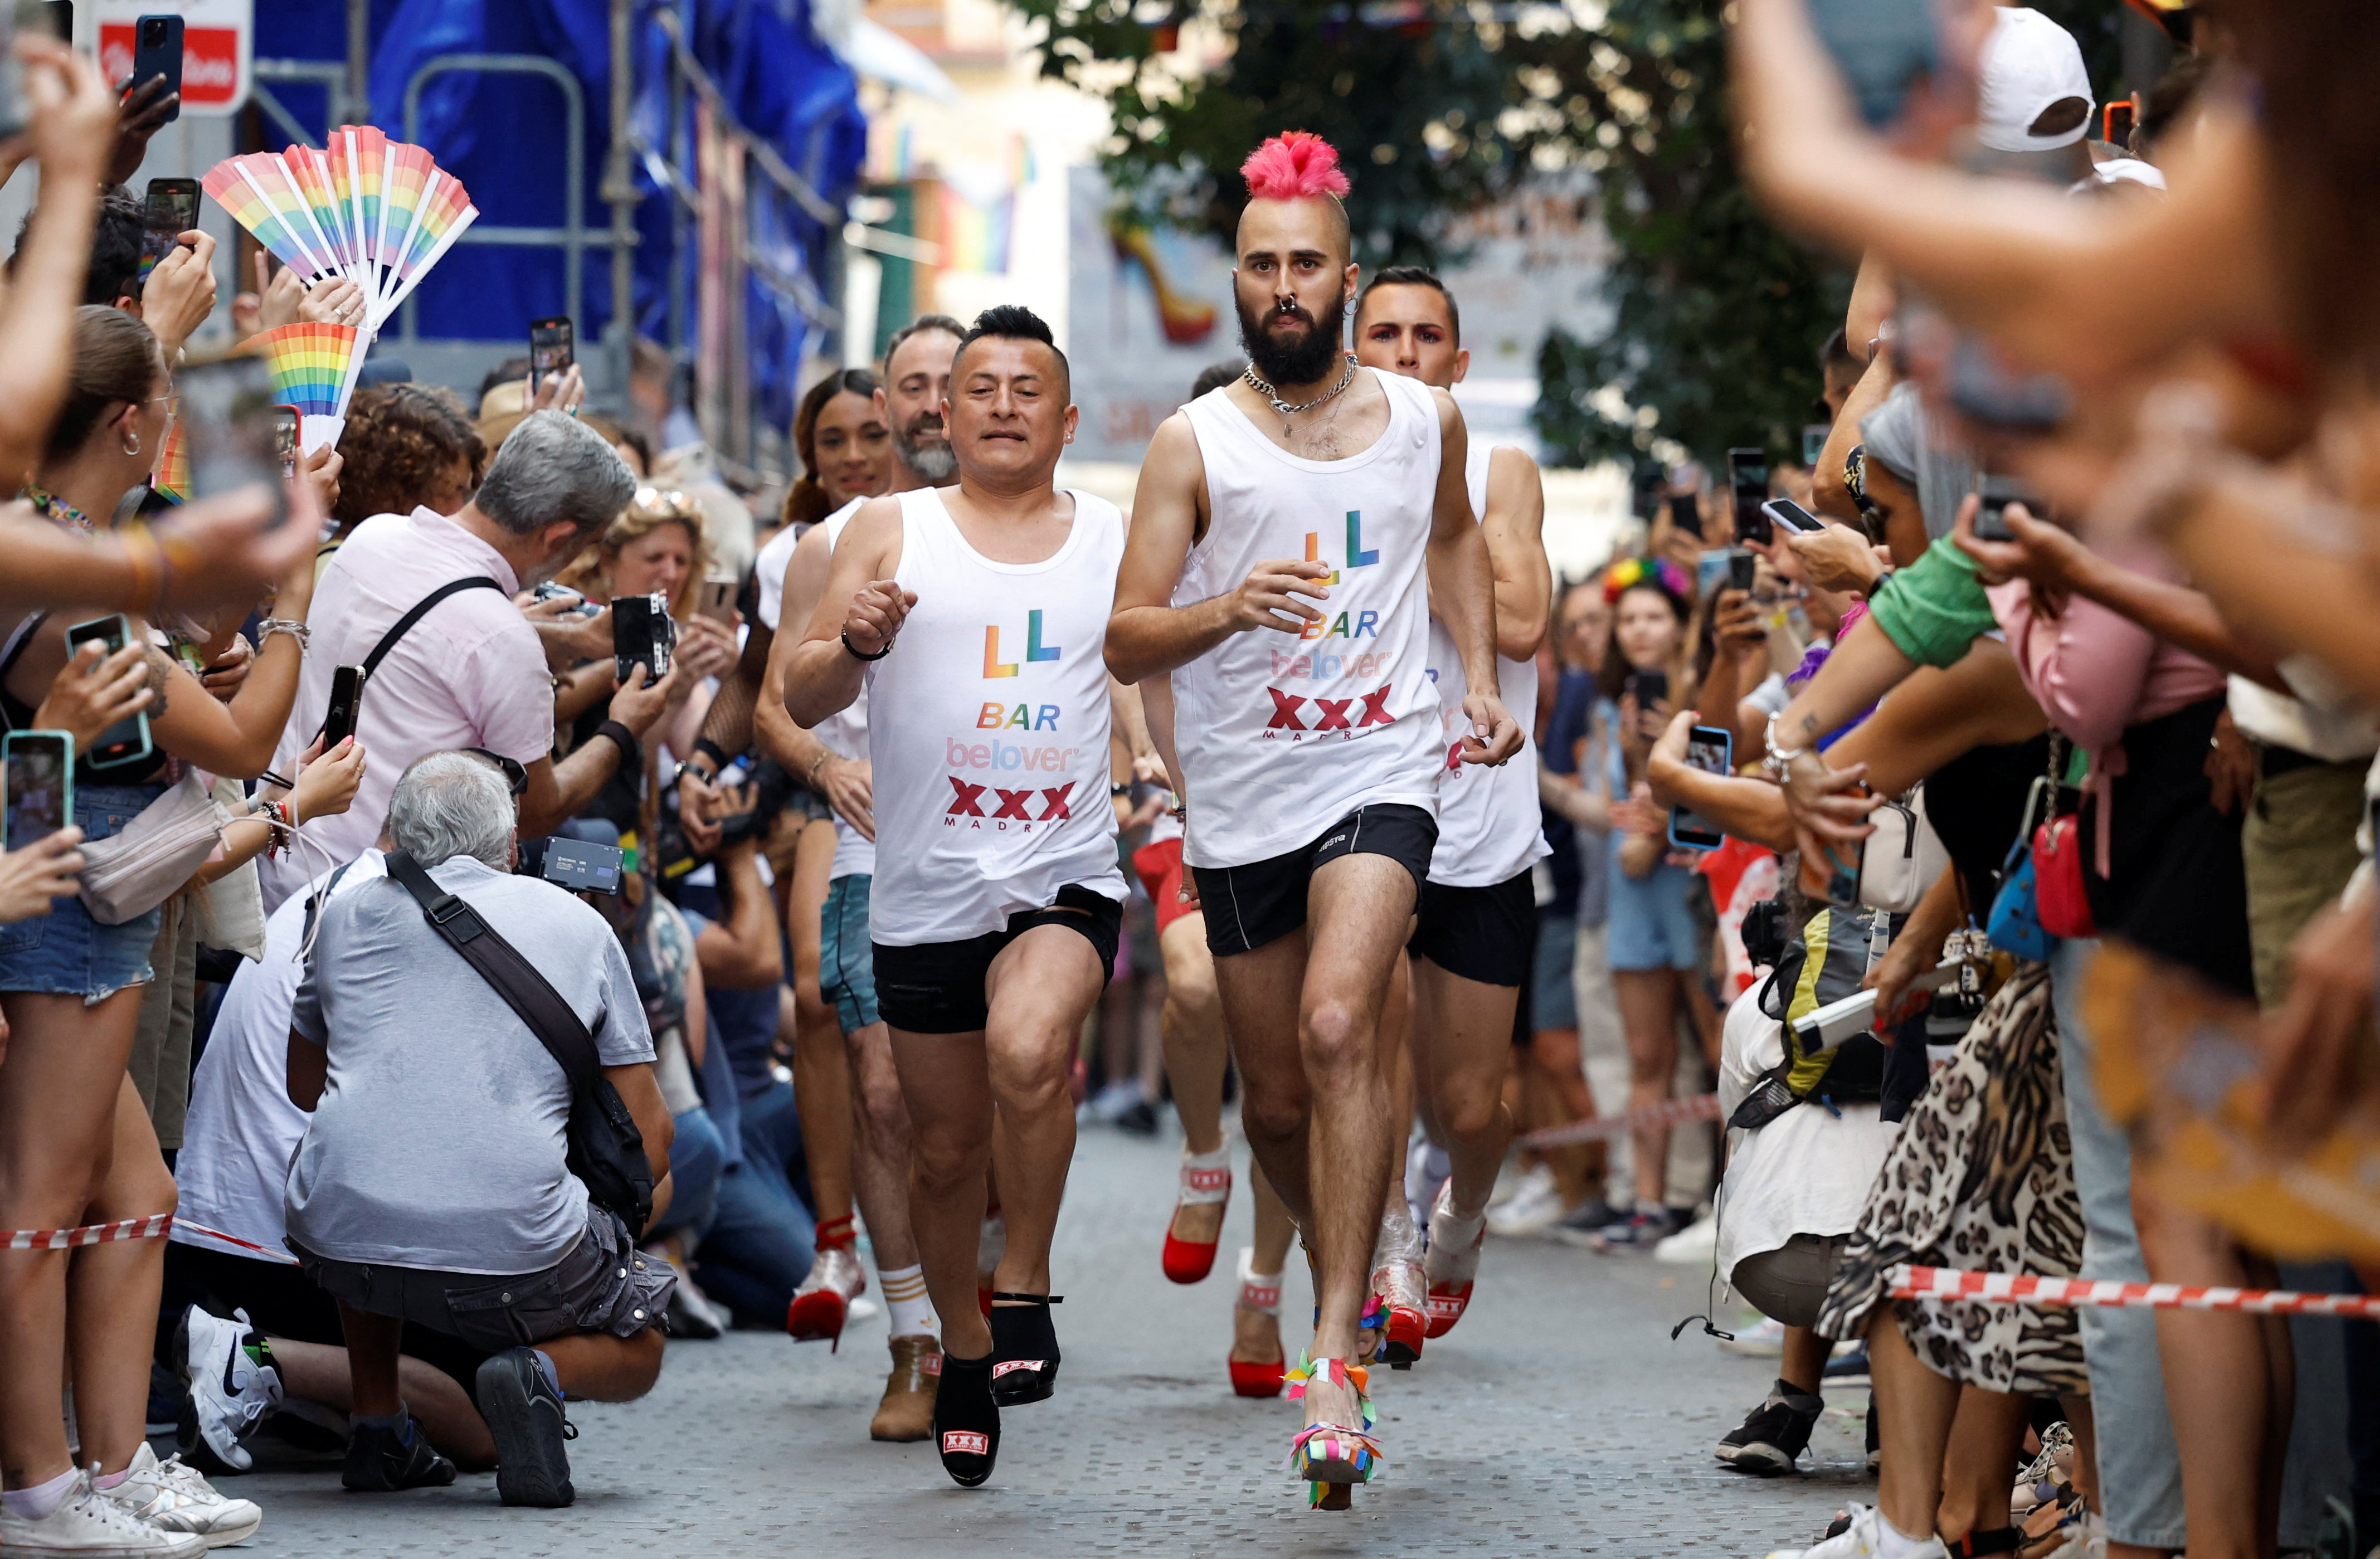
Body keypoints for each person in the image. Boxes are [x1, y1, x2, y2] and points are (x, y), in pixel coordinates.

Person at [1105, 131, 1518, 1508]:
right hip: (1241, 799)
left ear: (1348, 276)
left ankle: (1332, 1349)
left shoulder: (1422, 419)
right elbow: (1125, 634)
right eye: (1263, 264)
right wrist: (1227, 607)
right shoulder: (1192, 441)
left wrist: (1468, 676)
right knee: (1276, 1087)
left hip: (1386, 767)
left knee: (1346, 1020)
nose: (1286, 286)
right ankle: (1375, 1223)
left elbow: (1452, 537)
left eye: (1308, 264)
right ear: (1238, 278)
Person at [783, 304, 1129, 1488]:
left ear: (1065, 416)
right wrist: (858, 641)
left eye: (1025, 388)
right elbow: (799, 679)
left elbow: (1149, 666)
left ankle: (1023, 1282)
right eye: (976, 386)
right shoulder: (887, 527)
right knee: (939, 1148)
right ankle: (963, 1350)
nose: (997, 405)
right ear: (941, 409)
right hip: (922, 885)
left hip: (1062, 869)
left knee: (1031, 1051)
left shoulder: (1114, 537)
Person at [0, 303, 324, 1558]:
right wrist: (294, 603)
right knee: (38, 1208)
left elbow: (52, 758)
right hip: (63, 925)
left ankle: (116, 1460)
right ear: (133, 424)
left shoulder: (66, 545)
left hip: (75, 910)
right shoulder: (54, 570)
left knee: (135, 1190)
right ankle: (38, 1488)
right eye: (171, 402)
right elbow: (240, 745)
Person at [284, 752, 676, 1509]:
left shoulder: (344, 911)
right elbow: (650, 1136)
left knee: (364, 1151)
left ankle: (376, 1425)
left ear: (395, 838)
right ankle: (541, 1372)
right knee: (644, 1338)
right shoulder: (577, 921)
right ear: (511, 841)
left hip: (339, 1237)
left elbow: (306, 1087)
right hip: (518, 1250)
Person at [750, 320, 964, 1443]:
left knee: (979, 1102)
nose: (931, 405)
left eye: (951, 383)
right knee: (883, 1091)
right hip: (876, 849)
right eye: (913, 386)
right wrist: (829, 763)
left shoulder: (1062, 529)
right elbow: (775, 702)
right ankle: (913, 1337)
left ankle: (989, 1296)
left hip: (1014, 859)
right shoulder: (827, 544)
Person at [1350, 266, 1552, 1343]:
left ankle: (1459, 1212)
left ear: (1458, 364)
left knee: (1470, 1105)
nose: (1406, 353)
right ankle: (1389, 1250)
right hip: (1364, 810)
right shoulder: (1309, 477)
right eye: (1383, 334)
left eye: (1428, 337)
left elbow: (1517, 624)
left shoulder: (1502, 471)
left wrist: (1412, 520)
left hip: (1482, 823)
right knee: (1363, 1033)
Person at [256, 410, 670, 910]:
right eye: (592, 540)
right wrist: (623, 729)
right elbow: (537, 812)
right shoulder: (501, 639)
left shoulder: (373, 537)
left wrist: (573, 639)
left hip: (274, 859)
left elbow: (434, 641)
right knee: (596, 858)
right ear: (559, 536)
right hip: (364, 908)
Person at [1137, 359, 1299, 1399]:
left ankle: (1265, 1285)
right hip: (1194, 809)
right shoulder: (1165, 535)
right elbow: (1141, 670)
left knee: (1296, 1071)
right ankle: (1204, 1156)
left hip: (1318, 813)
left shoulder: (1321, 529)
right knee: (1193, 983)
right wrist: (1191, 793)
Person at [1591, 557, 1719, 1249]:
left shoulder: (1700, 694)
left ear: (1677, 625)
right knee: (1647, 1056)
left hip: (1690, 881)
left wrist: (1661, 811)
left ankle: (1724, 1204)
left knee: (1713, 1045)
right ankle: (1647, 1202)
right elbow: (1605, 798)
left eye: (1653, 616)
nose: (1640, 629)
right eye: (1629, 618)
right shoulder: (1611, 707)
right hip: (1631, 888)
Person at [325, 383, 486, 541]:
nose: (459, 510)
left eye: (464, 494)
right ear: (386, 492)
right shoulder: (337, 563)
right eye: (446, 495)